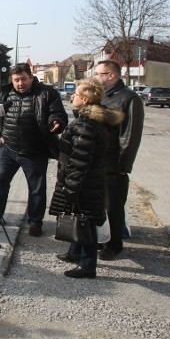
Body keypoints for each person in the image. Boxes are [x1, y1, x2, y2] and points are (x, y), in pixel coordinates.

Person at [49, 78, 124, 278]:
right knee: (77, 214)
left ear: (83, 99)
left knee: (86, 220)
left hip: (85, 181)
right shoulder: (89, 120)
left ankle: (88, 265)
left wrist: (72, 187)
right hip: (87, 178)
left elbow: (81, 160)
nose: (72, 96)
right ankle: (75, 252)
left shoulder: (86, 125)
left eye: (75, 94)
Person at [0, 63, 68, 236]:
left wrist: (56, 122)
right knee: (0, 183)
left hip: (35, 151)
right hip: (9, 149)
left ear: (31, 77)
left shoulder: (47, 93)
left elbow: (59, 114)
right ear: (12, 79)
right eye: (16, 80)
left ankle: (35, 222)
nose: (20, 83)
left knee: (36, 189)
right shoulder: (6, 92)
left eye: (24, 79)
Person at [92, 59, 145, 260]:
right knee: (98, 204)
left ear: (111, 75)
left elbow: (131, 135)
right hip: (98, 161)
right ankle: (103, 240)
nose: (96, 77)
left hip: (113, 164)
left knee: (113, 206)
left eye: (99, 74)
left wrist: (123, 165)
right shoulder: (103, 97)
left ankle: (114, 244)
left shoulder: (128, 99)